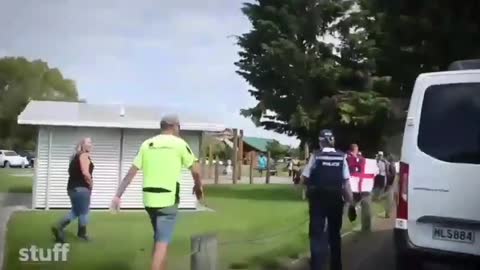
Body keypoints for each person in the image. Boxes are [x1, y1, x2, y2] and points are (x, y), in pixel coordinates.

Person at [110, 114, 203, 270]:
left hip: (149, 200)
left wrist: (118, 195)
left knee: (159, 238)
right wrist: (198, 186)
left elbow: (130, 173)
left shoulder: (147, 144)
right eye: (179, 126)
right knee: (162, 243)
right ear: (174, 126)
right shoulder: (179, 144)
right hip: (168, 199)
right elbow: (196, 170)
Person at [301, 130, 354, 270]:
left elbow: (304, 178)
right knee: (335, 235)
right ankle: (336, 266)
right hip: (336, 200)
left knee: (316, 234)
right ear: (332, 141)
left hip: (318, 200)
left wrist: (306, 189)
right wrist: (351, 203)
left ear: (320, 142)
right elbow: (346, 184)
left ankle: (317, 265)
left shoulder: (316, 156)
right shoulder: (342, 157)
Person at [51, 137, 94, 243]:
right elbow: (85, 172)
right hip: (81, 188)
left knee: (76, 211)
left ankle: (60, 227)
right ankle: (82, 234)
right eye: (88, 142)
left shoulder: (75, 157)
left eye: (91, 142)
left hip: (72, 189)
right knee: (84, 212)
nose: (90, 144)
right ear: (83, 145)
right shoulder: (84, 155)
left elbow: (72, 172)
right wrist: (91, 183)